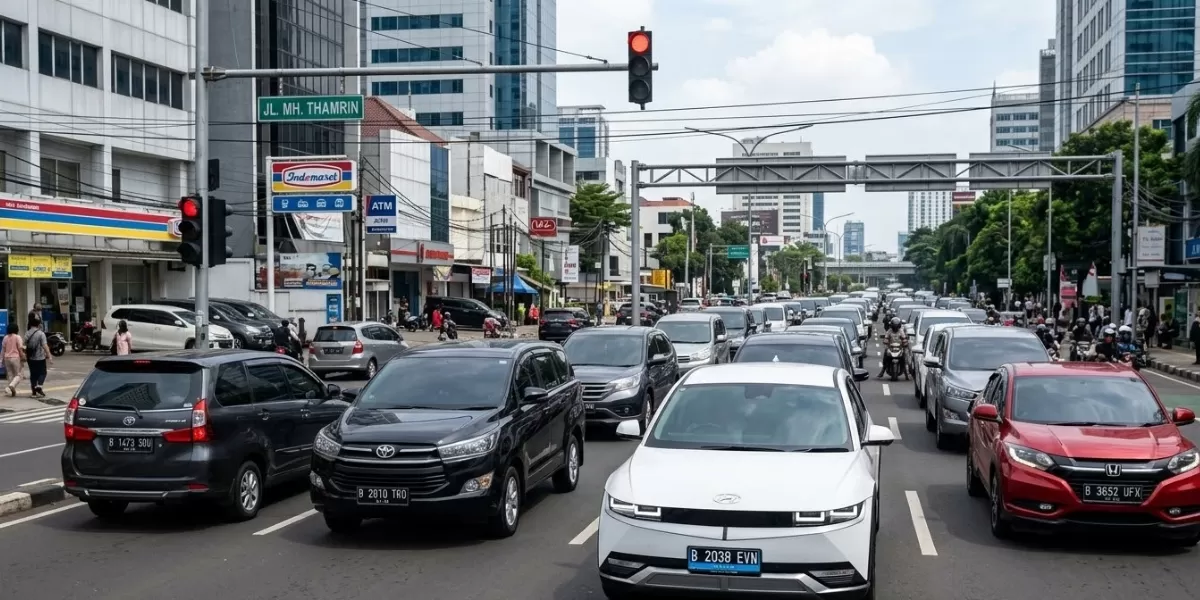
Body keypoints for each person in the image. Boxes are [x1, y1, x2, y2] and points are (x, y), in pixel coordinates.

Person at [23, 317, 51, 398]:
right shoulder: (41, 334)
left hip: (30, 358)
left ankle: (34, 393)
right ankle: (39, 386)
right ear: (38, 324)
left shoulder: (27, 333)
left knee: (33, 374)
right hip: (40, 357)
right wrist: (49, 356)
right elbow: (45, 346)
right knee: (43, 372)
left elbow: (24, 345)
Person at [3, 323, 24, 397]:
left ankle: (12, 391)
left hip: (7, 358)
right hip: (15, 358)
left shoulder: (5, 337)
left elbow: (3, 350)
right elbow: (20, 348)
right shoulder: (17, 337)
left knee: (10, 375)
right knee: (19, 375)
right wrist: (23, 356)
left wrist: (1, 360)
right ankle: (10, 386)